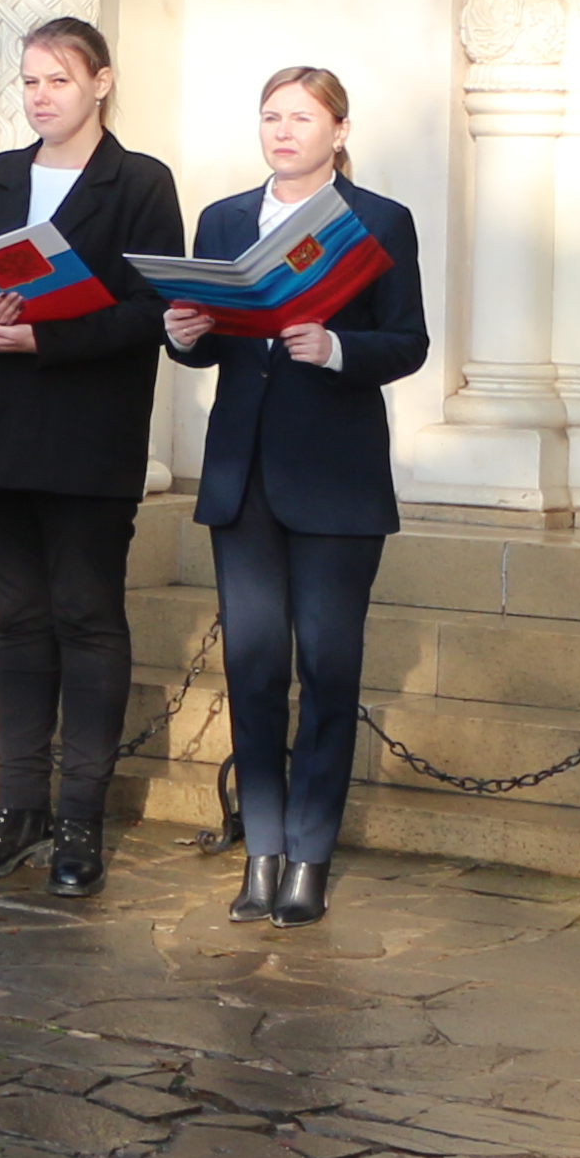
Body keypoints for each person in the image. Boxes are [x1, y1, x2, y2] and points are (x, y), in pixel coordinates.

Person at [161, 64, 431, 925]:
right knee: (251, 668)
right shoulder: (225, 219)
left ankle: (310, 857)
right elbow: (208, 346)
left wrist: (340, 350)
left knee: (327, 666)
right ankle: (261, 851)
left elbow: (409, 340)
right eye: (271, 116)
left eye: (302, 118)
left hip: (336, 475)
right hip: (242, 475)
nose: (282, 132)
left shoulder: (379, 221)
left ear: (339, 131)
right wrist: (182, 332)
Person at [0, 18, 186, 899]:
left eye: (59, 82)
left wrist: (43, 337)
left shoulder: (140, 182)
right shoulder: (0, 176)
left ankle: (81, 818)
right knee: (19, 620)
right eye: (31, 82)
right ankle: (18, 808)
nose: (41, 97)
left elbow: (149, 310)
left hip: (88, 431)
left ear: (102, 83)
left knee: (85, 614)